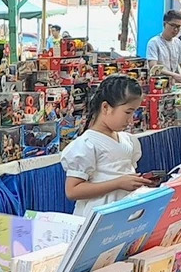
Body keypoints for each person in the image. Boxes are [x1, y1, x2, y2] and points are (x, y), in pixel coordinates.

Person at [61, 75, 152, 218]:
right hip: (99, 216)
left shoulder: (128, 140)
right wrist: (118, 183)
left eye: (134, 112)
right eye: (128, 112)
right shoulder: (87, 144)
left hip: (125, 212)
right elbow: (72, 191)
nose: (131, 119)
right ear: (105, 107)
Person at [146, 10, 181, 86]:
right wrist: (174, 75)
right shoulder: (154, 42)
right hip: (157, 85)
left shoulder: (177, 42)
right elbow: (153, 67)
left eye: (178, 27)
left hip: (173, 85)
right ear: (165, 24)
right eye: (173, 25)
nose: (175, 29)